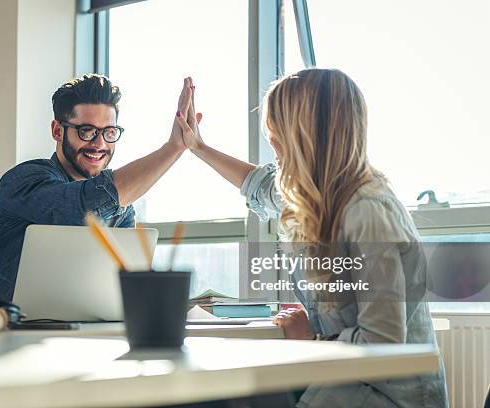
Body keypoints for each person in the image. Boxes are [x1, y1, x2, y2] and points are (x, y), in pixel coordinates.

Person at [175, 69, 448, 407]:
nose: (271, 144)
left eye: (277, 133)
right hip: (344, 381)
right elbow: (259, 185)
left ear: (305, 138)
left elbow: (383, 345)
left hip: (385, 396)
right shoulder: (318, 196)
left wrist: (314, 338)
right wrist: (197, 146)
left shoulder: (368, 212)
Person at [0, 74, 195, 301]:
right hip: (3, 330)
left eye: (109, 132)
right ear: (57, 131)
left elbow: (123, 289)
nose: (100, 144)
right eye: (87, 131)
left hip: (79, 330)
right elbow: (82, 210)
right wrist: (172, 148)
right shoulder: (24, 181)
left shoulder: (122, 209)